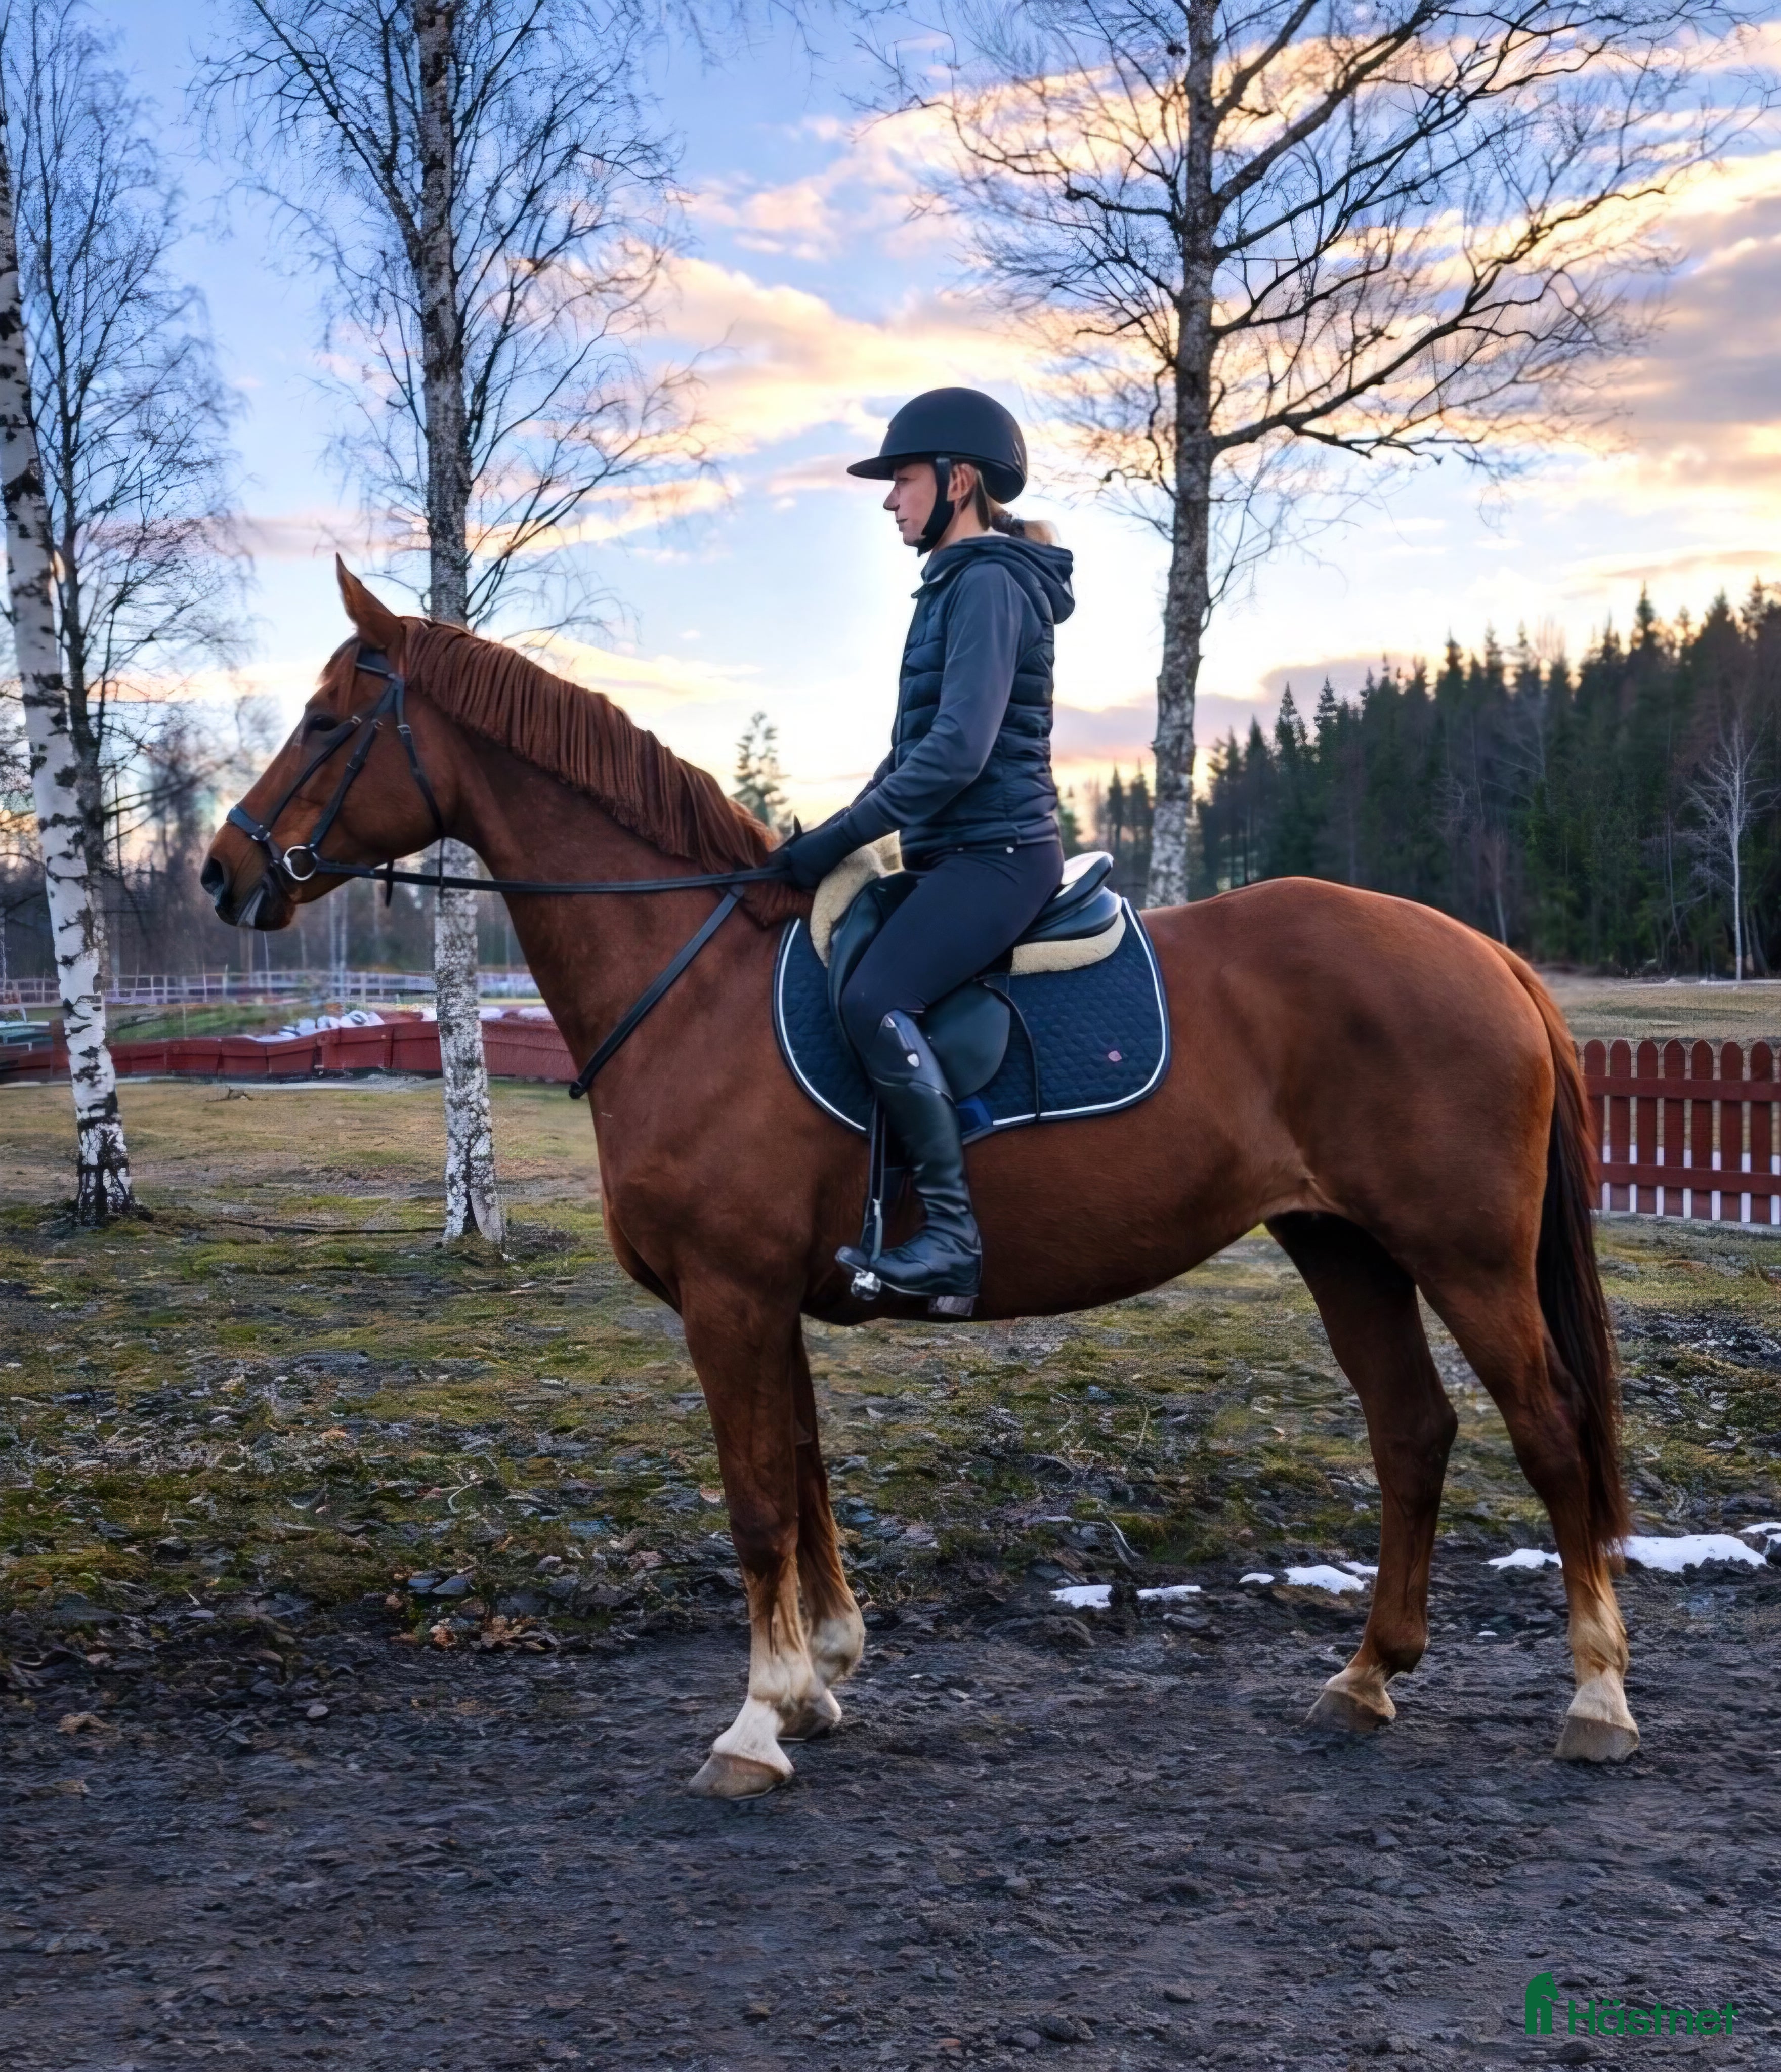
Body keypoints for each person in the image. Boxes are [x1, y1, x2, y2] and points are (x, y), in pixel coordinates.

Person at [773, 387, 1074, 1307]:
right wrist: (832, 835)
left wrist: (841, 835)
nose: (889, 498)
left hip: (1001, 852)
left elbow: (958, 752)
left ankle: (949, 1234)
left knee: (875, 995)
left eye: (902, 478)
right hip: (955, 853)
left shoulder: (986, 582)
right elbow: (911, 752)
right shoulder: (954, 584)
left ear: (960, 481)